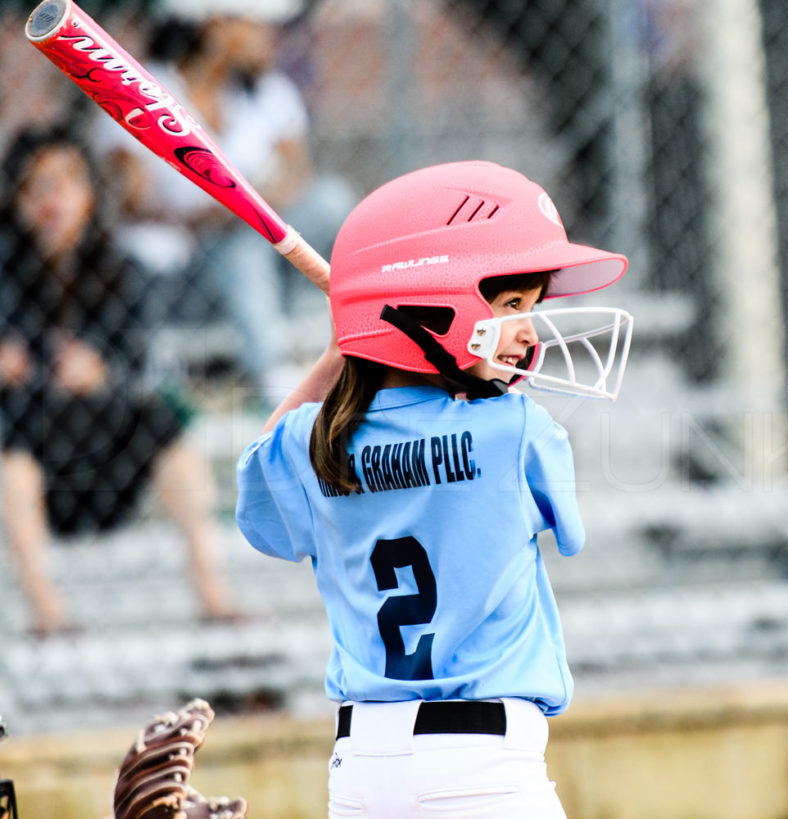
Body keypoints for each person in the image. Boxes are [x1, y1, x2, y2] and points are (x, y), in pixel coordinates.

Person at [235, 160, 633, 817]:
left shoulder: (312, 443)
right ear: (439, 307)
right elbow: (566, 526)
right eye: (510, 306)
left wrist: (347, 346)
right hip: (485, 768)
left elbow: (257, 477)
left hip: (361, 774)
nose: (530, 331)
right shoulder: (516, 429)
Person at [0, 126, 244, 636]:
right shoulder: (7, 272)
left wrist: (101, 371)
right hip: (31, 447)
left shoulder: (118, 268)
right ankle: (46, 608)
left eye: (64, 183)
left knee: (164, 422)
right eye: (36, 188)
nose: (52, 200)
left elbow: (137, 361)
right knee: (12, 453)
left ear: (89, 192)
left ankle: (211, 590)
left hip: (103, 451)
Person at [92, 4, 358, 401]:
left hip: (272, 251)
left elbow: (296, 179)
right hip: (184, 270)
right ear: (215, 26)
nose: (272, 37)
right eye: (257, 26)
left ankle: (365, 330)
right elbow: (133, 200)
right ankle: (274, 378)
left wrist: (246, 203)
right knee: (240, 238)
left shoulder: (267, 91)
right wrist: (213, 211)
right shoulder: (144, 91)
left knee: (332, 200)